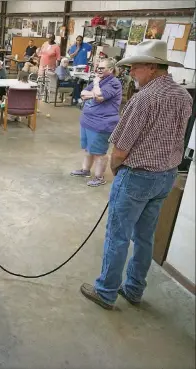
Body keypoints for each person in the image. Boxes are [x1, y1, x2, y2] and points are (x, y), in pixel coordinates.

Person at [79, 40, 193, 310]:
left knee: (118, 235)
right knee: (145, 236)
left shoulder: (144, 99)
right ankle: (134, 289)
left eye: (135, 67)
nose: (131, 73)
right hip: (166, 176)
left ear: (152, 67)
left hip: (138, 176)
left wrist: (117, 170)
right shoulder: (184, 97)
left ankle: (106, 292)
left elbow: (119, 148)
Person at [70, 58, 122, 187]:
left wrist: (96, 87)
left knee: (99, 153)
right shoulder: (100, 80)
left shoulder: (113, 83)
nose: (98, 70)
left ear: (110, 70)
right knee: (88, 149)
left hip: (101, 124)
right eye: (97, 67)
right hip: (87, 121)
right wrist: (93, 93)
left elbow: (99, 97)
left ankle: (99, 177)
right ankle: (85, 170)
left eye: (101, 68)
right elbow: (83, 93)